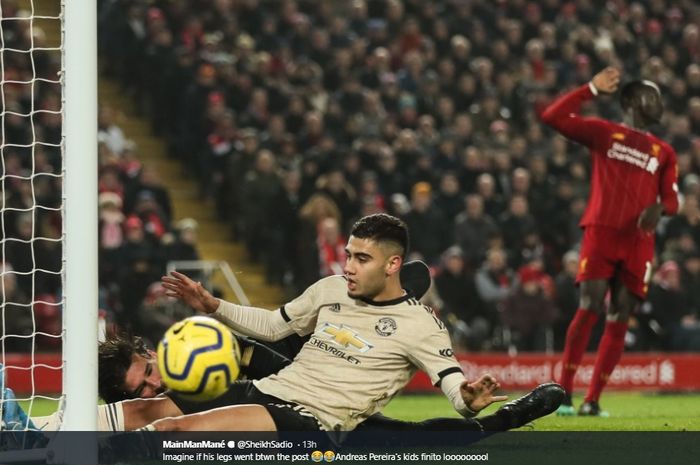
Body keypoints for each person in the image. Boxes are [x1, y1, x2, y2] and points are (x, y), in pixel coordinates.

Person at [57, 213, 560, 436]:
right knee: (148, 412)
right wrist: (212, 304)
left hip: (312, 420)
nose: (346, 266)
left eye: (360, 258)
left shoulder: (423, 326)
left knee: (174, 433)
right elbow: (274, 325)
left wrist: (469, 401)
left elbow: (453, 385)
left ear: (392, 265)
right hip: (271, 387)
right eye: (347, 255)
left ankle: (511, 416)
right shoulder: (331, 289)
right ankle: (39, 433)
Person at [541, 67, 679, 416]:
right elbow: (553, 116)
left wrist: (659, 208)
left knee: (621, 313)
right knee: (589, 306)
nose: (659, 103)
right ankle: (565, 394)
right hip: (602, 231)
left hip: (638, 242)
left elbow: (674, 202)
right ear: (631, 100)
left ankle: (593, 400)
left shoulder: (663, 152)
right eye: (652, 96)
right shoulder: (606, 134)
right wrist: (589, 89)